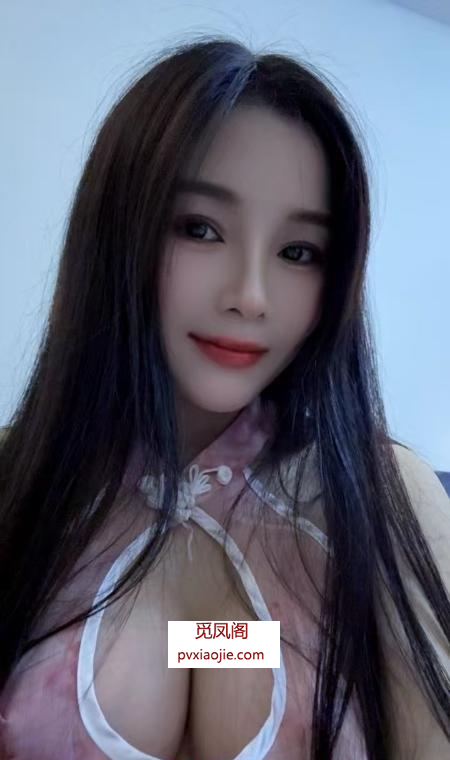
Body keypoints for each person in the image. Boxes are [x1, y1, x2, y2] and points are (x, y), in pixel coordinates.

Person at [0, 35, 448, 760]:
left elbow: (203, 641)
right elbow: (184, 640)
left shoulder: (385, 496)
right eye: (200, 229)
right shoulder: (18, 479)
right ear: (117, 233)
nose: (250, 295)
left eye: (298, 251)